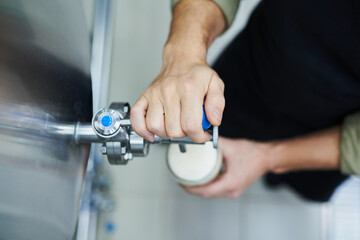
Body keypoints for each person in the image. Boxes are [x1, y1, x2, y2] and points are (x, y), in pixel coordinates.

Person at [130, 0, 360, 201]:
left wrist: (268, 158)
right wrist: (184, 54)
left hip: (335, 124)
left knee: (296, 180)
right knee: (216, 123)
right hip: (260, 58)